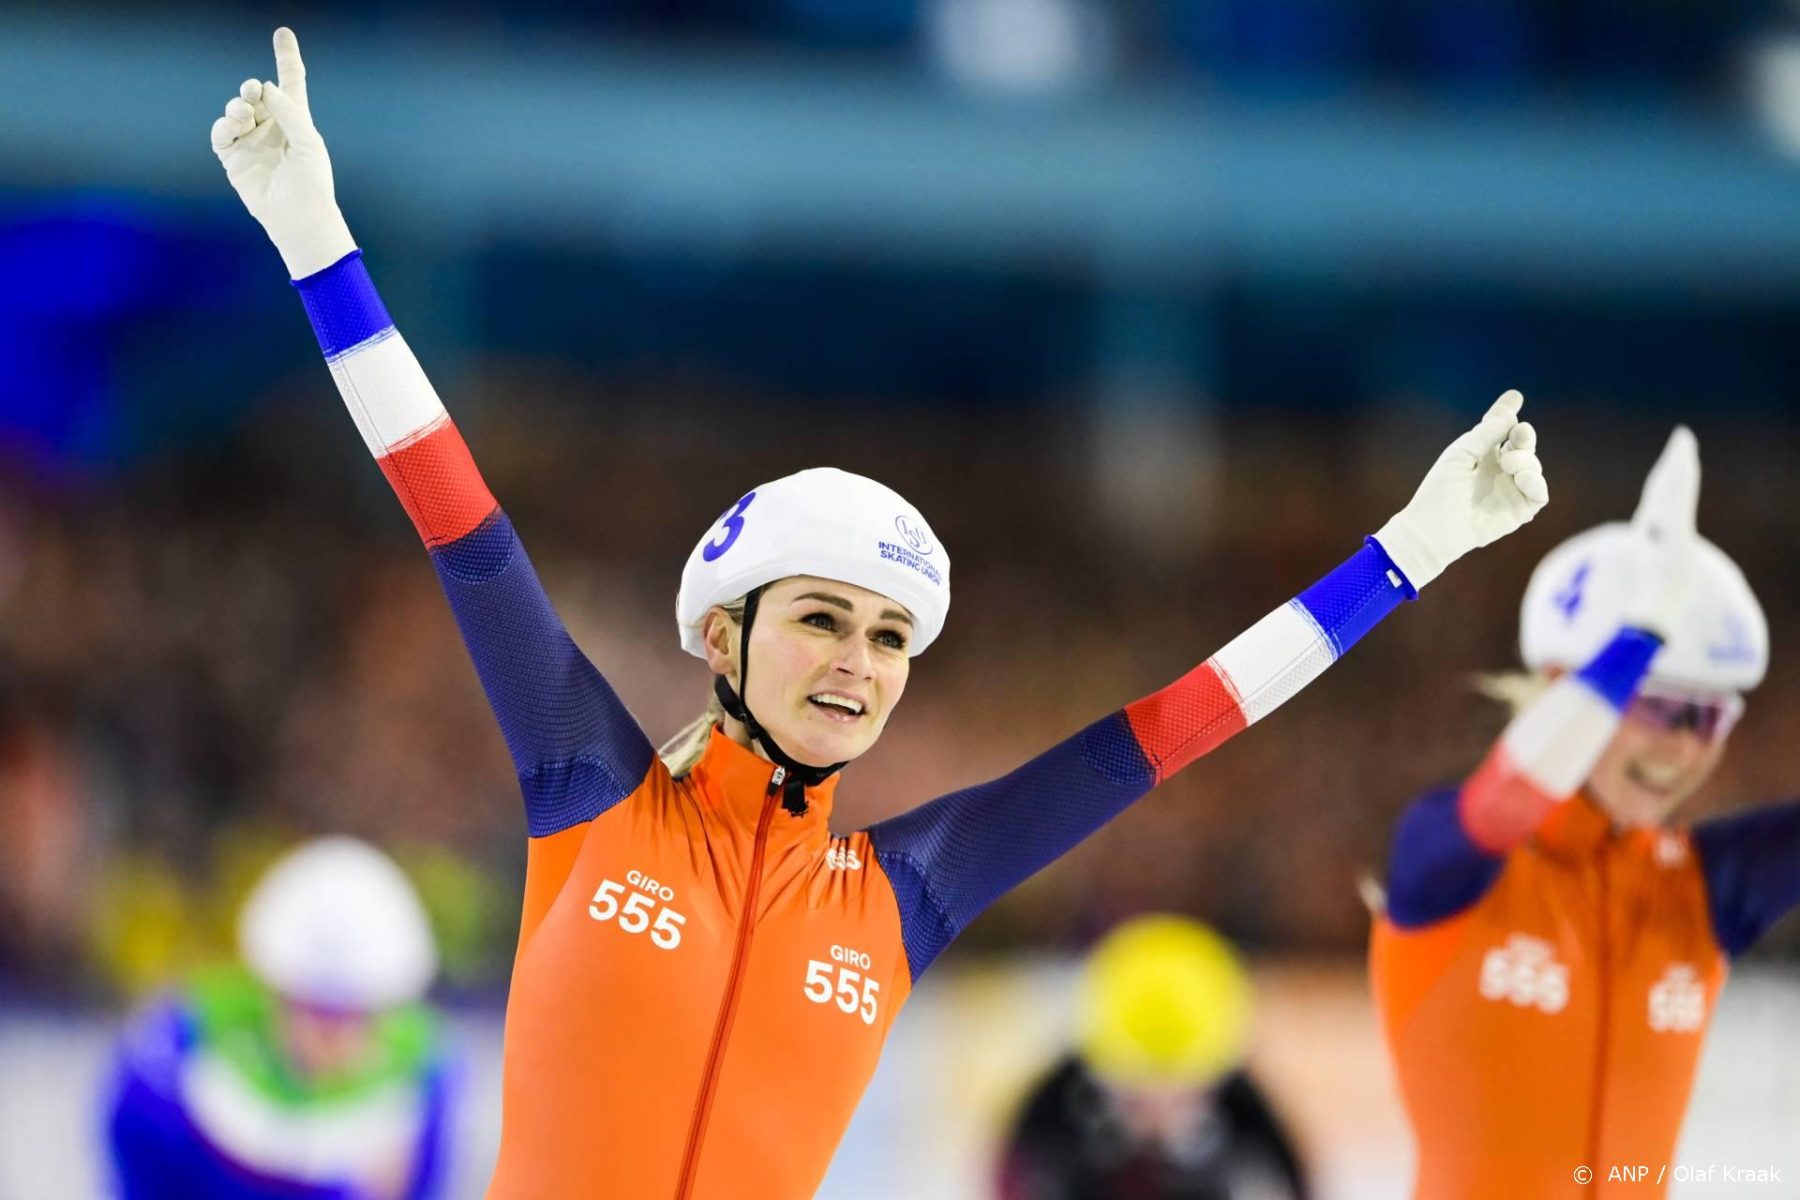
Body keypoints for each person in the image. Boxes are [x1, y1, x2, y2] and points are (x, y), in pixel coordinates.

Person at [209, 29, 1548, 1198]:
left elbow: (1167, 731)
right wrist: (318, 244)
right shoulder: (592, 790)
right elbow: (465, 534)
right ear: (723, 635)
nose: (858, 662)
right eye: (821, 619)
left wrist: (1410, 551)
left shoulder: (909, 890)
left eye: (890, 637)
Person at [1371, 428, 1800, 1198]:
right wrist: (1635, 643)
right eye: (1658, 704)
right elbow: (1510, 797)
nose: (1679, 747)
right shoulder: (1445, 859)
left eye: (1707, 719)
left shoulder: (1702, 890)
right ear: (1568, 683)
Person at [105, 836, 455, 1200]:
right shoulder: (165, 1060)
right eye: (315, 1009)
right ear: (276, 991)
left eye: (353, 1014)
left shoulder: (426, 1074)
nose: (332, 1034)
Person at [997, 915, 1309, 1200]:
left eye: (1179, 1095)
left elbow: (1295, 1174)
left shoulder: (1240, 1112)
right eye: (1137, 1097)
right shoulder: (1063, 1109)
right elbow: (1008, 1168)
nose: (1156, 1114)